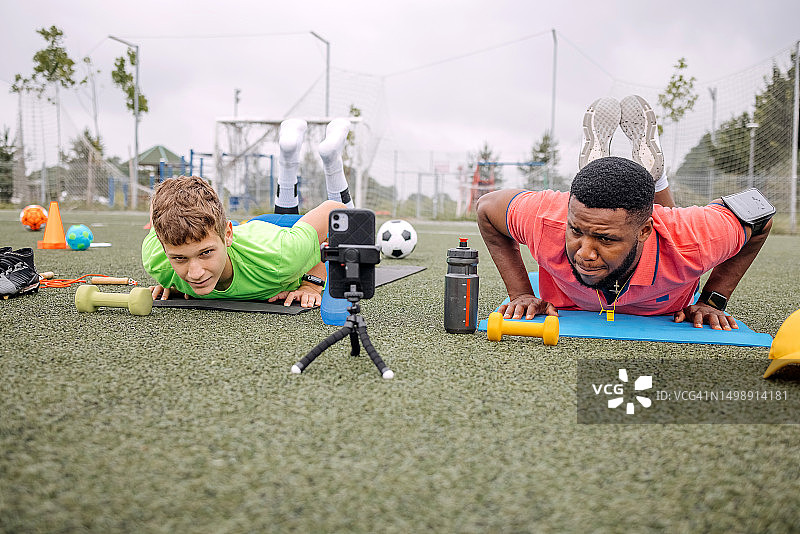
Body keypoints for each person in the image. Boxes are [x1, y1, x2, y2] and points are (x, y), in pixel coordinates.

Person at [477, 95, 773, 330]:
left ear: (645, 231)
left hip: (665, 246)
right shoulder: (548, 220)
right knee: (603, 209)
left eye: (605, 240)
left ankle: (654, 179)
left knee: (664, 221)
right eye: (576, 232)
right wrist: (520, 293)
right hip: (584, 262)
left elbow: (760, 215)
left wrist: (713, 300)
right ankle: (604, 171)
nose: (585, 254)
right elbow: (487, 208)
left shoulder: (691, 242)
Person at [142, 118, 356, 307]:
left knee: (353, 238)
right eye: (179, 258)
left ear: (228, 235)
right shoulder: (157, 261)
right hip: (253, 233)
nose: (196, 273)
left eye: (206, 253)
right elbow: (157, 207)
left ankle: (330, 160)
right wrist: (173, 283)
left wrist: (311, 284)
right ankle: (289, 153)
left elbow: (335, 209)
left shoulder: (281, 255)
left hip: (275, 236)